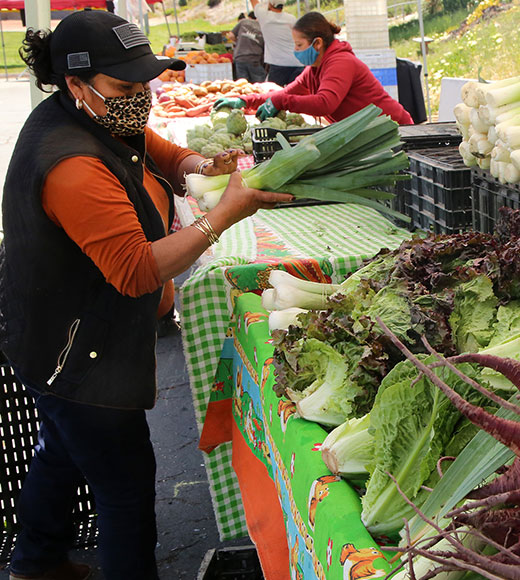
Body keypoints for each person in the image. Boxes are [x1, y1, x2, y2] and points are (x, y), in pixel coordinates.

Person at [0, 10, 292, 580]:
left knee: (59, 452)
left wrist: (199, 164)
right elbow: (135, 272)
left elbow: (152, 147)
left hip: (50, 332)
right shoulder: (73, 164)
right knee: (124, 488)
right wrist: (223, 215)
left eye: (145, 84)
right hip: (75, 352)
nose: (141, 98)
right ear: (75, 84)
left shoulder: (94, 114)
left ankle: (36, 561)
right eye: (126, 87)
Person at [213, 12, 413, 126]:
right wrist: (244, 101)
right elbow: (285, 93)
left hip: (394, 129)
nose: (295, 51)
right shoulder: (315, 69)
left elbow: (325, 103)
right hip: (367, 131)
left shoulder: (340, 62)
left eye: (299, 45)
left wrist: (282, 101)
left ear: (317, 43)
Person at [252, 0, 303, 86]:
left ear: (270, 4)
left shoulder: (264, 16)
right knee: (296, 95)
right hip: (297, 63)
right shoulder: (291, 19)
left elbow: (253, 1)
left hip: (278, 64)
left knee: (274, 95)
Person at [230, 11, 266, 83]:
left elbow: (231, 35)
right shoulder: (264, 27)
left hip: (240, 58)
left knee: (243, 85)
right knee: (259, 85)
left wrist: (238, 41)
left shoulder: (243, 22)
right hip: (254, 59)